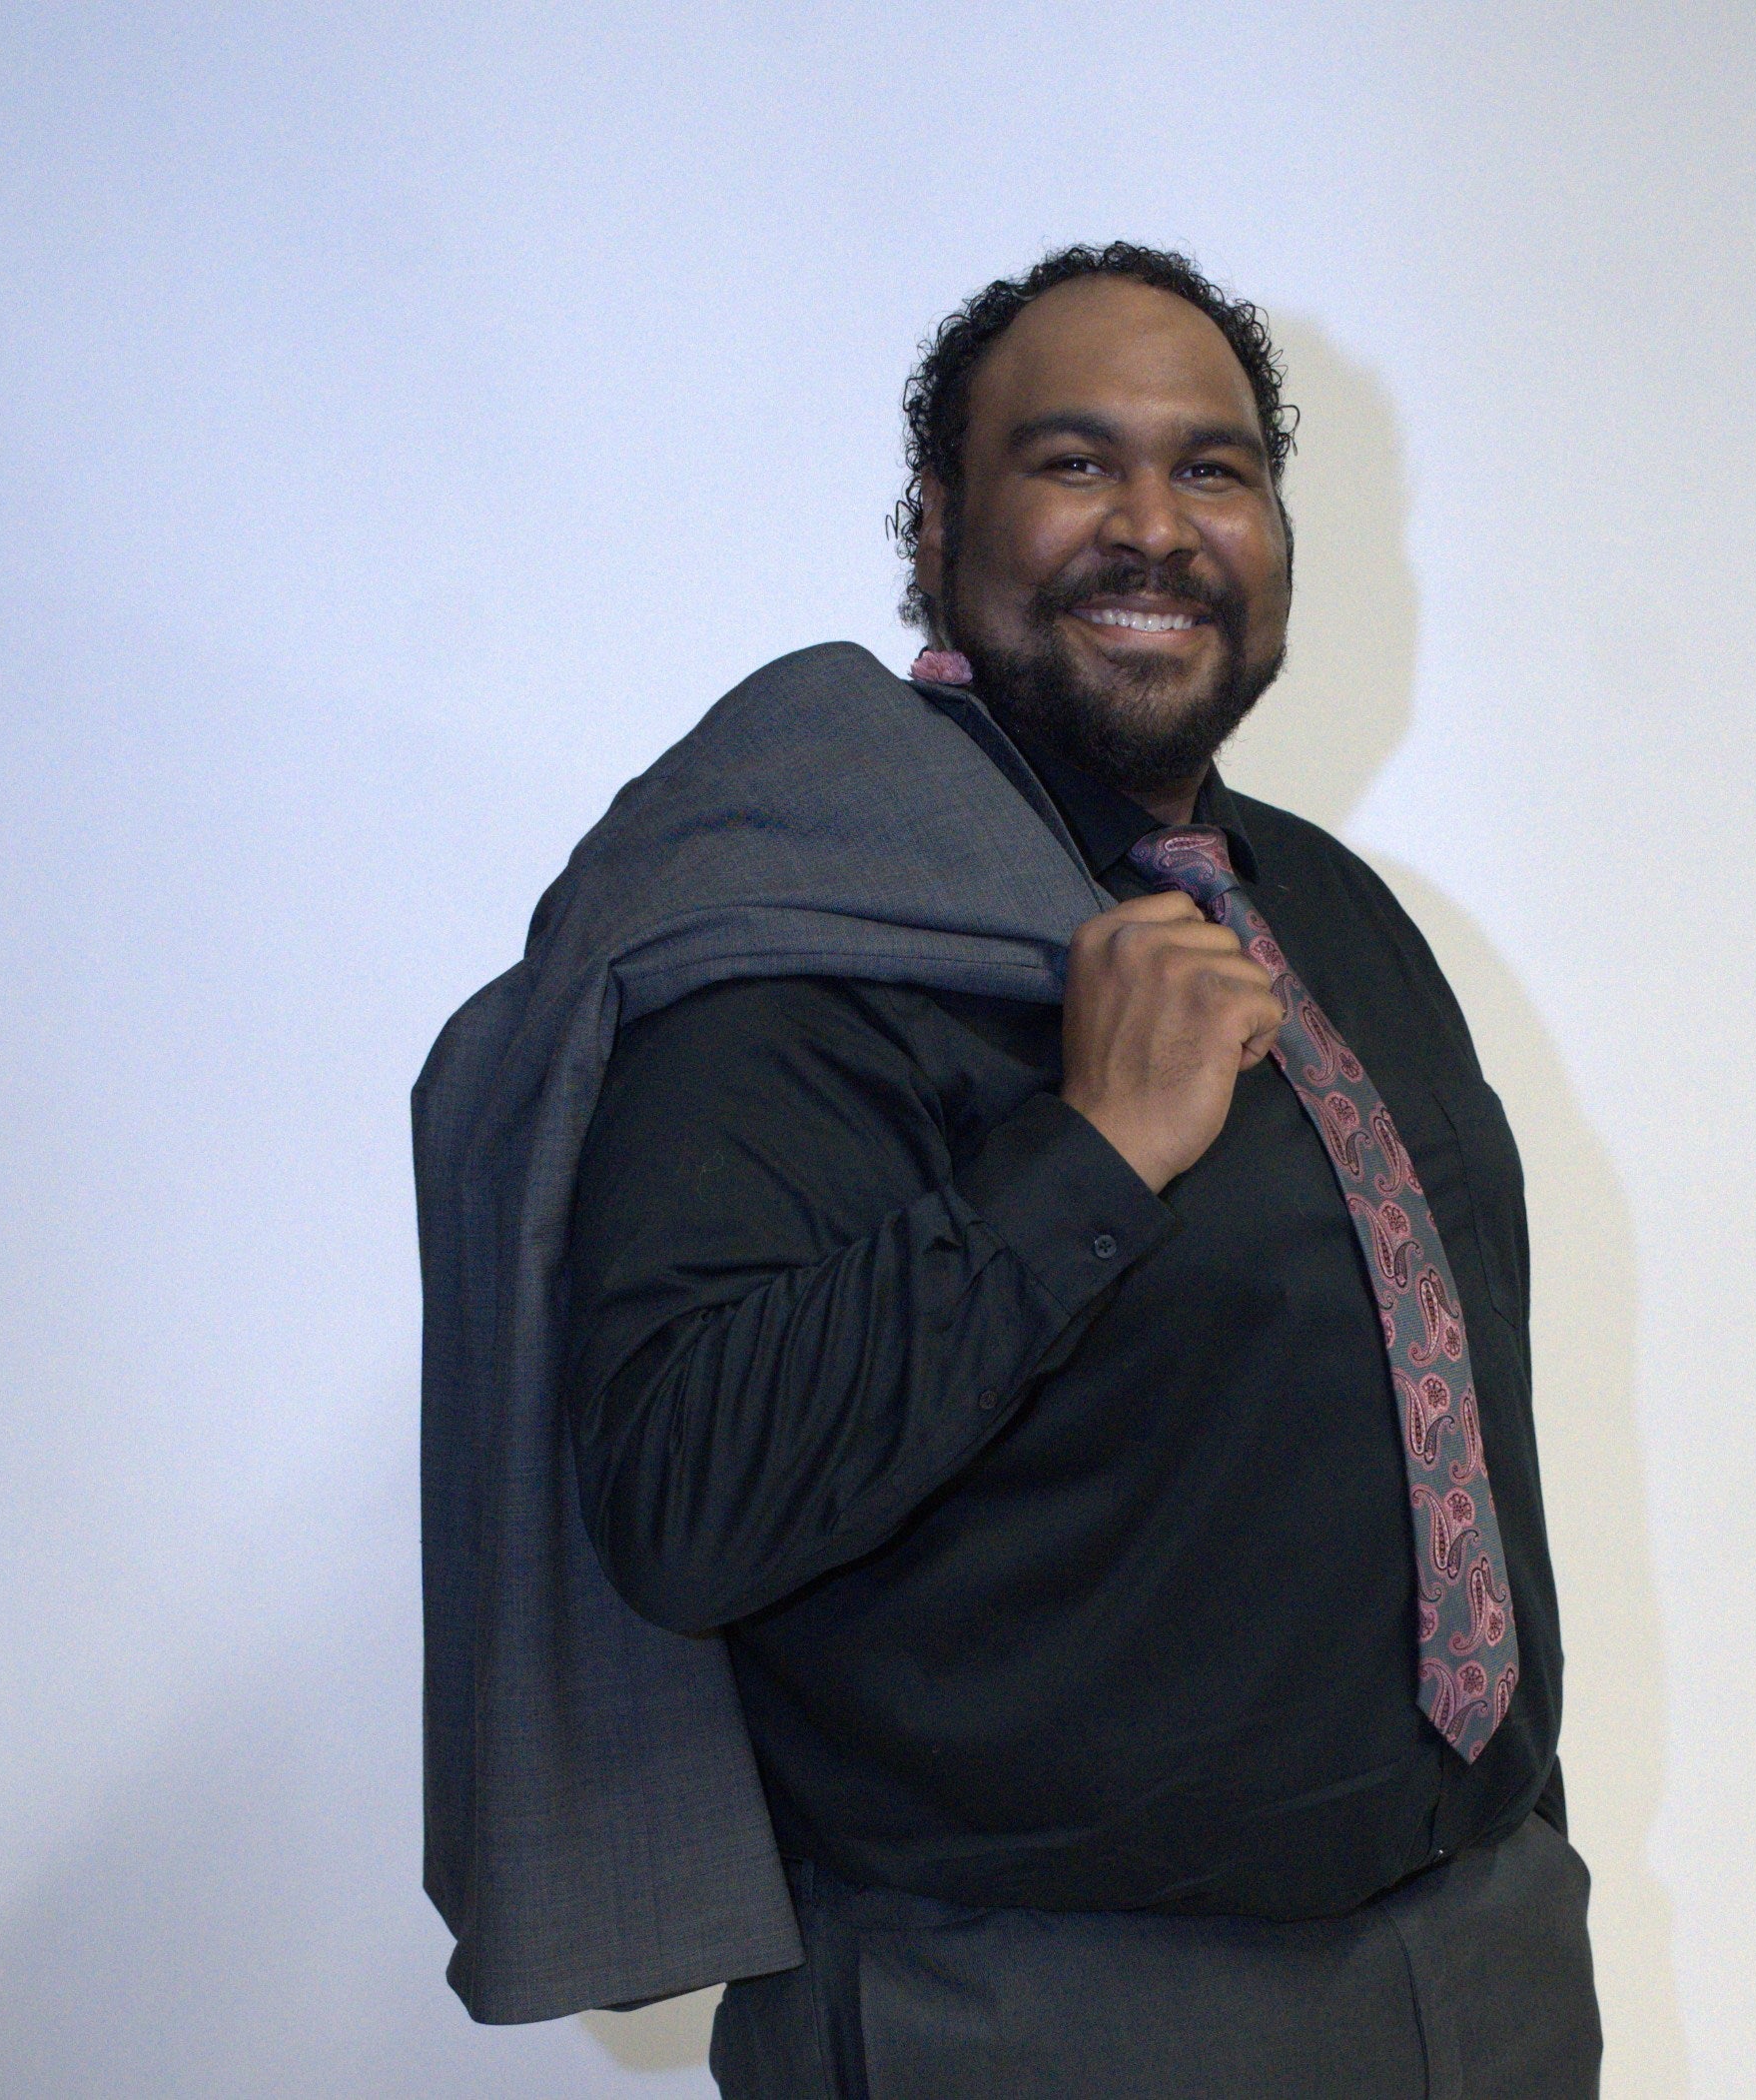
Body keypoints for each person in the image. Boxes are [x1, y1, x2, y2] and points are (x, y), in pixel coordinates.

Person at [428, 243, 1597, 2098]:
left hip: (1475, 1975)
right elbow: (683, 1494)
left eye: (1215, 469)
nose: (1155, 525)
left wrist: (1518, 1881)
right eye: (1074, 463)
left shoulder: (1331, 910)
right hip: (1042, 2017)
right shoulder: (796, 934)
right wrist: (1090, 1151)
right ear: (935, 523)